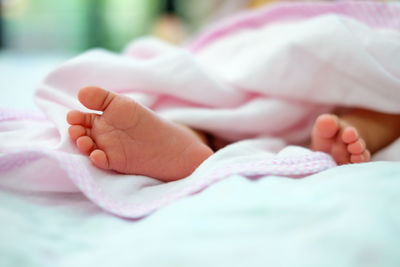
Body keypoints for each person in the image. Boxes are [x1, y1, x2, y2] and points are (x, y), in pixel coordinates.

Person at [66, 86, 400, 182]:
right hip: (269, 73)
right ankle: (184, 138)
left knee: (384, 95)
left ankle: (346, 135)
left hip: (337, 81)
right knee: (206, 96)